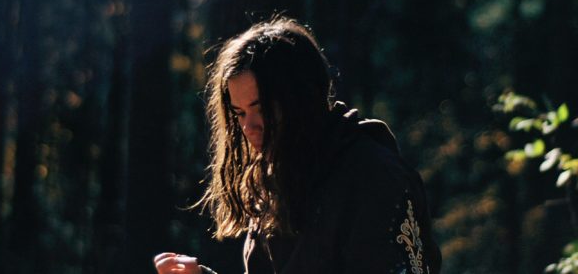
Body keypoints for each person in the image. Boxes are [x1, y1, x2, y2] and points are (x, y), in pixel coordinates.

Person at [154, 17, 441, 274]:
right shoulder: (276, 180)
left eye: (262, 108)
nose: (248, 127)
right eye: (240, 113)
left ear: (300, 99)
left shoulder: (374, 177)